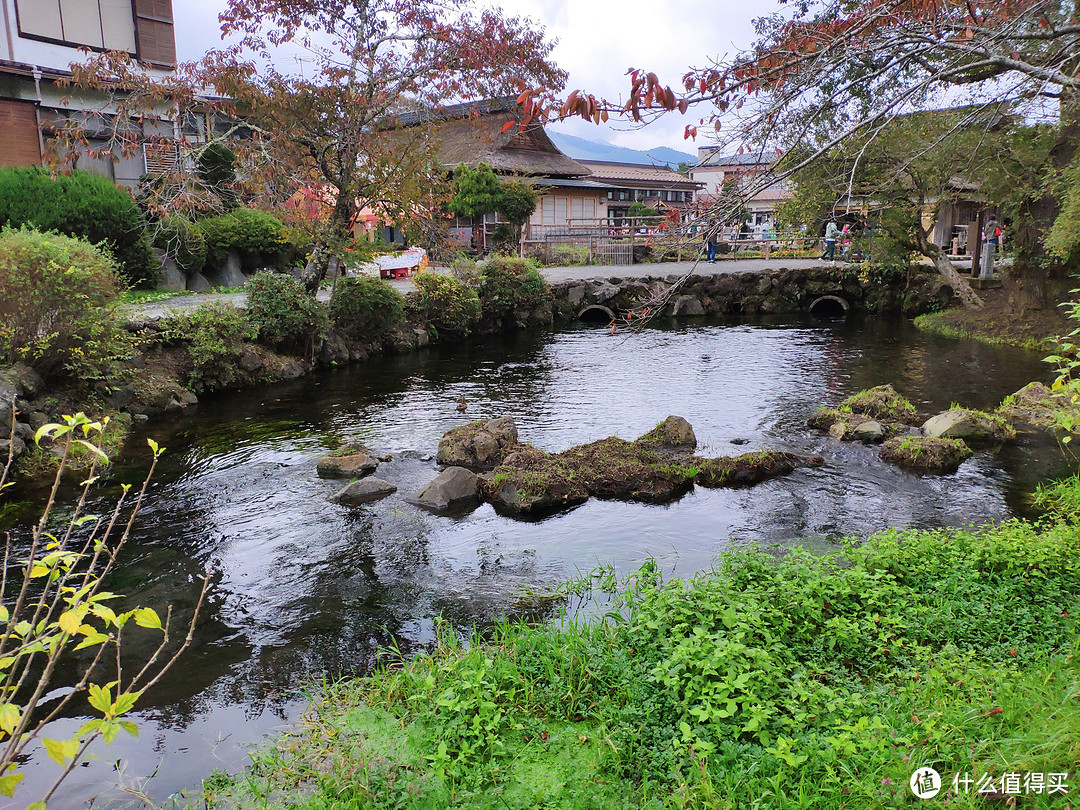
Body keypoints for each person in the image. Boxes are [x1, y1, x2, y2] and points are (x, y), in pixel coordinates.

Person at [980, 214, 1002, 279]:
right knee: (992, 249)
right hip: (993, 237)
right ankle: (991, 259)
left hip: (988, 238)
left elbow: (985, 231)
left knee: (987, 249)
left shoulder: (987, 224)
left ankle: (988, 259)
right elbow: (1001, 228)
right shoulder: (996, 223)